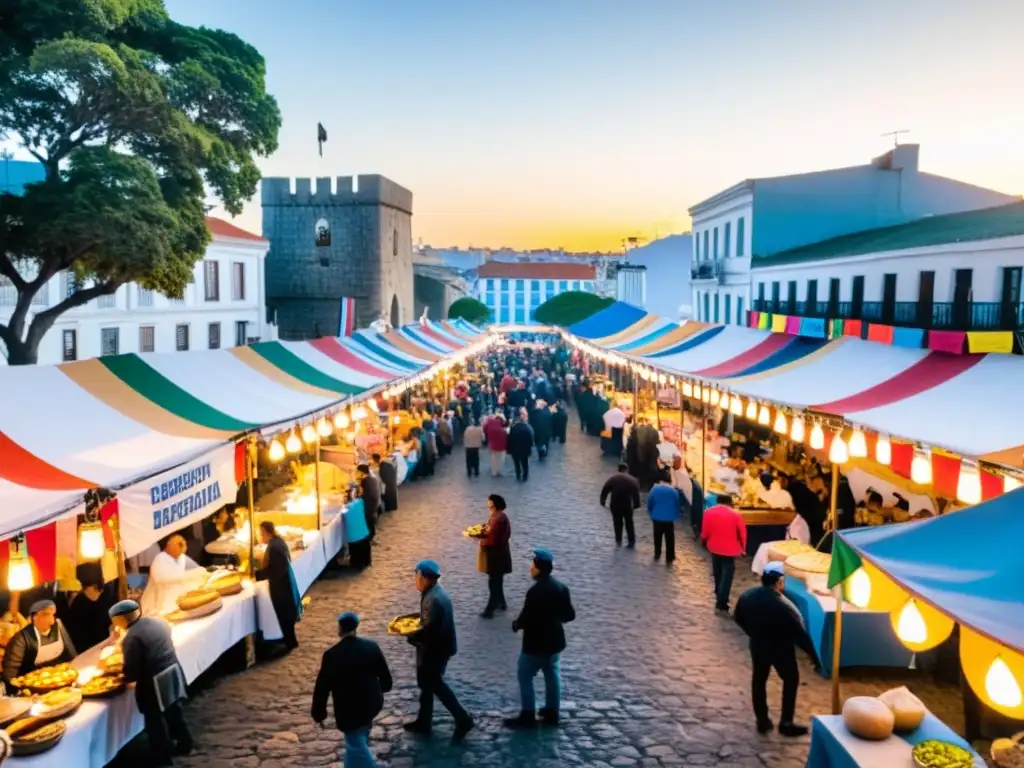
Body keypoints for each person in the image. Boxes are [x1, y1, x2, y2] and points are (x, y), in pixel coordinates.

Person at [734, 563, 820, 737]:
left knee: (759, 680)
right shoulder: (785, 605)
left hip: (758, 645)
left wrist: (752, 632)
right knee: (791, 680)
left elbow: (738, 617)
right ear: (780, 581)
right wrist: (815, 658)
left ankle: (762, 721)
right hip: (781, 649)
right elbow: (800, 634)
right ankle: (786, 722)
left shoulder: (747, 596)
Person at [109, 600, 193, 765]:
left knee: (154, 719)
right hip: (173, 669)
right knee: (174, 710)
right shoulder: (157, 621)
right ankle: (185, 743)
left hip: (154, 681)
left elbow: (132, 672)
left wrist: (120, 674)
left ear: (120, 619)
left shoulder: (132, 638)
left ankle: (163, 756)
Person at [505, 548, 576, 729]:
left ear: (538, 568)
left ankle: (528, 715)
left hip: (536, 643)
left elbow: (526, 618)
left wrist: (516, 624)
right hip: (555, 642)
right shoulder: (561, 587)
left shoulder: (535, 592)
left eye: (532, 565)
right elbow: (569, 615)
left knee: (525, 675)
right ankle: (552, 712)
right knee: (552, 674)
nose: (530, 568)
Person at [404, 560, 474, 744]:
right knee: (427, 686)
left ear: (425, 578)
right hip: (438, 647)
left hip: (436, 649)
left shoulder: (433, 600)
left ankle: (463, 718)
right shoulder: (434, 592)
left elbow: (430, 632)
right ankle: (424, 721)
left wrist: (412, 637)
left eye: (417, 576)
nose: (416, 580)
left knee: (436, 685)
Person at [312, 612, 392, 768]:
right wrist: (377, 691)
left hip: (348, 709)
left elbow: (322, 687)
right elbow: (386, 679)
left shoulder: (331, 655)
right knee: (357, 738)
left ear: (340, 629)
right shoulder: (371, 647)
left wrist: (318, 713)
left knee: (355, 743)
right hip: (371, 703)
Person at [2, 600, 77, 682]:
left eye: (53, 615)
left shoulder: (58, 627)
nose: (51, 621)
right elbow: (10, 672)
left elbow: (71, 655)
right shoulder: (22, 638)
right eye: (46, 616)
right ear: (34, 618)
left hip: (59, 679)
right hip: (31, 683)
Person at [255, 521, 301, 653]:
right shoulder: (276, 542)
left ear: (265, 532)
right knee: (285, 616)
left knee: (285, 616)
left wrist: (258, 575)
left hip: (281, 588)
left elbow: (277, 570)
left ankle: (290, 643)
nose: (259, 536)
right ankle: (288, 640)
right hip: (282, 586)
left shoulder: (275, 547)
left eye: (260, 533)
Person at [140, 533, 207, 618]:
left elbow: (198, 569)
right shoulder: (160, 559)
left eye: (182, 544)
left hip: (178, 605)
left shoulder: (181, 557)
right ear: (168, 545)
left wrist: (202, 572)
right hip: (158, 609)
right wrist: (191, 575)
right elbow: (162, 578)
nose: (180, 547)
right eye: (177, 544)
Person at [701, 493, 748, 612]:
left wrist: (703, 541)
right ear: (729, 502)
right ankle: (722, 602)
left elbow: (705, 531)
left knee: (717, 570)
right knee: (727, 575)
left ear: (717, 501)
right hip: (730, 550)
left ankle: (717, 591)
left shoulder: (708, 512)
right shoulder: (736, 515)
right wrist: (743, 548)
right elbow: (742, 533)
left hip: (714, 547)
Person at [64, 567, 114, 652]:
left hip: (107, 646)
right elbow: (75, 636)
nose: (100, 591)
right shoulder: (77, 604)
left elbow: (111, 621)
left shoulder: (105, 596)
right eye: (95, 588)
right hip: (87, 650)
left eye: (100, 587)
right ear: (84, 587)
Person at [478, 494, 512, 618]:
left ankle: (490, 610)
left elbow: (492, 539)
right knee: (498, 580)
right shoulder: (498, 516)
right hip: (500, 554)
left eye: (490, 505)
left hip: (496, 555)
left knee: (494, 582)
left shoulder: (498, 519)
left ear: (495, 505)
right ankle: (501, 603)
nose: (488, 507)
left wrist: (480, 538)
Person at [599, 463, 641, 547]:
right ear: (626, 470)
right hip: (627, 505)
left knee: (617, 523)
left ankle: (618, 540)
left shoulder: (612, 479)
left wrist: (602, 501)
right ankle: (631, 542)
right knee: (629, 523)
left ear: (618, 469)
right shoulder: (632, 480)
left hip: (615, 504)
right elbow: (636, 492)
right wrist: (636, 504)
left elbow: (605, 489)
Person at [647, 469, 681, 564]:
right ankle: (669, 556)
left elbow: (649, 503)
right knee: (669, 537)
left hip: (657, 517)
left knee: (657, 536)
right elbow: (677, 504)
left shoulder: (654, 490)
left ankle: (657, 553)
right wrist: (677, 514)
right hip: (669, 518)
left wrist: (651, 512)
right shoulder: (674, 491)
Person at [508, 409, 535, 482]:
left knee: (517, 464)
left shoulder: (513, 428)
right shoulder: (527, 428)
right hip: (524, 451)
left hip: (515, 450)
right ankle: (525, 476)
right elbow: (530, 440)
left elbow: (510, 439)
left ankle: (518, 475)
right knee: (525, 464)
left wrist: (509, 449)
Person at [357, 464, 381, 542]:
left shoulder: (364, 480)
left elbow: (360, 493)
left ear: (361, 472)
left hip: (368, 503)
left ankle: (368, 538)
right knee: (371, 520)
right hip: (375, 502)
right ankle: (372, 536)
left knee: (367, 520)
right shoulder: (372, 478)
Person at [483, 412, 509, 477]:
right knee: (501, 458)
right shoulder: (502, 427)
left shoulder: (490, 422)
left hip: (492, 444)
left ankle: (494, 471)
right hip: (502, 445)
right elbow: (506, 433)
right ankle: (499, 470)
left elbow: (485, 429)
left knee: (493, 458)